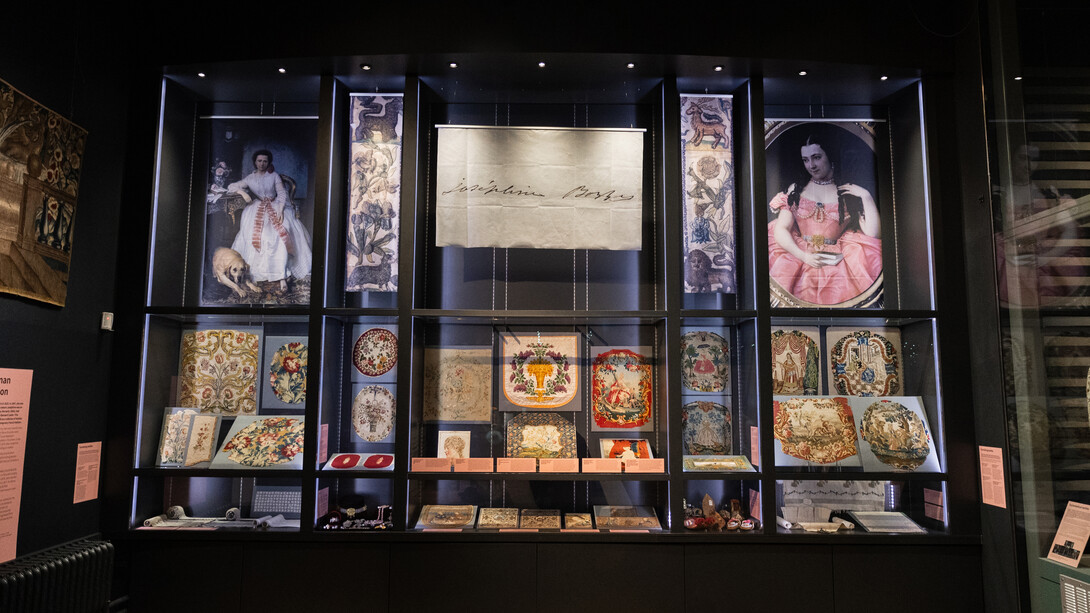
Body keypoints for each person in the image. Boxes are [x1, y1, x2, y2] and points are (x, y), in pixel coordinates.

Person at [767, 129, 882, 305]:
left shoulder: (847, 192)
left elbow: (872, 233)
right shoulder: (796, 190)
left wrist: (866, 195)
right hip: (799, 256)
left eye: (817, 157)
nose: (811, 165)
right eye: (806, 160)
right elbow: (781, 229)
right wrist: (804, 256)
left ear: (830, 155)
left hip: (837, 261)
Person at [228, 150, 312, 291]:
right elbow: (232, 186)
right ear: (255, 162)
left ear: (269, 162)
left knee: (280, 234)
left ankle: (281, 275)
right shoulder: (250, 178)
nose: (262, 164)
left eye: (265, 161)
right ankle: (257, 272)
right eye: (259, 161)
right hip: (257, 208)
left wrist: (280, 211)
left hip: (275, 206)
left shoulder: (274, 176)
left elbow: (281, 194)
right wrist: (242, 192)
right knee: (256, 235)